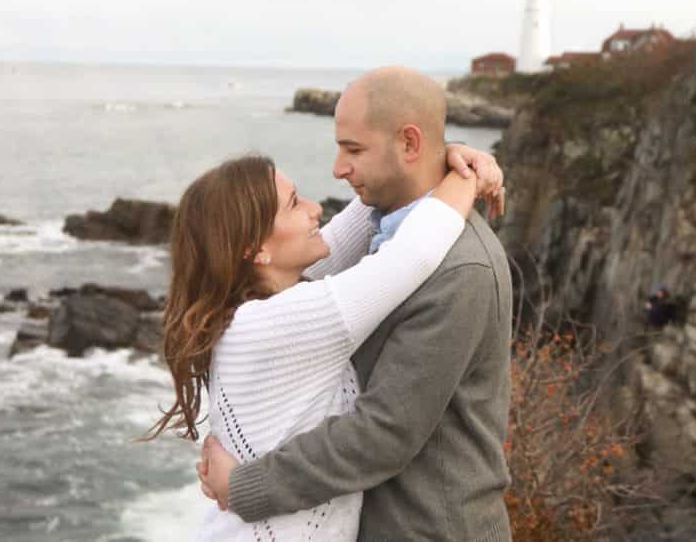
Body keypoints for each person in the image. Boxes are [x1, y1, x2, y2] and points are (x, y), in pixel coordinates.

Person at [198, 66, 514, 541]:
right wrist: (452, 164)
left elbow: (383, 433)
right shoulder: (388, 232)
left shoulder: (458, 268)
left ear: (409, 144)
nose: (337, 169)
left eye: (353, 149)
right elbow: (393, 242)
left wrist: (246, 487)